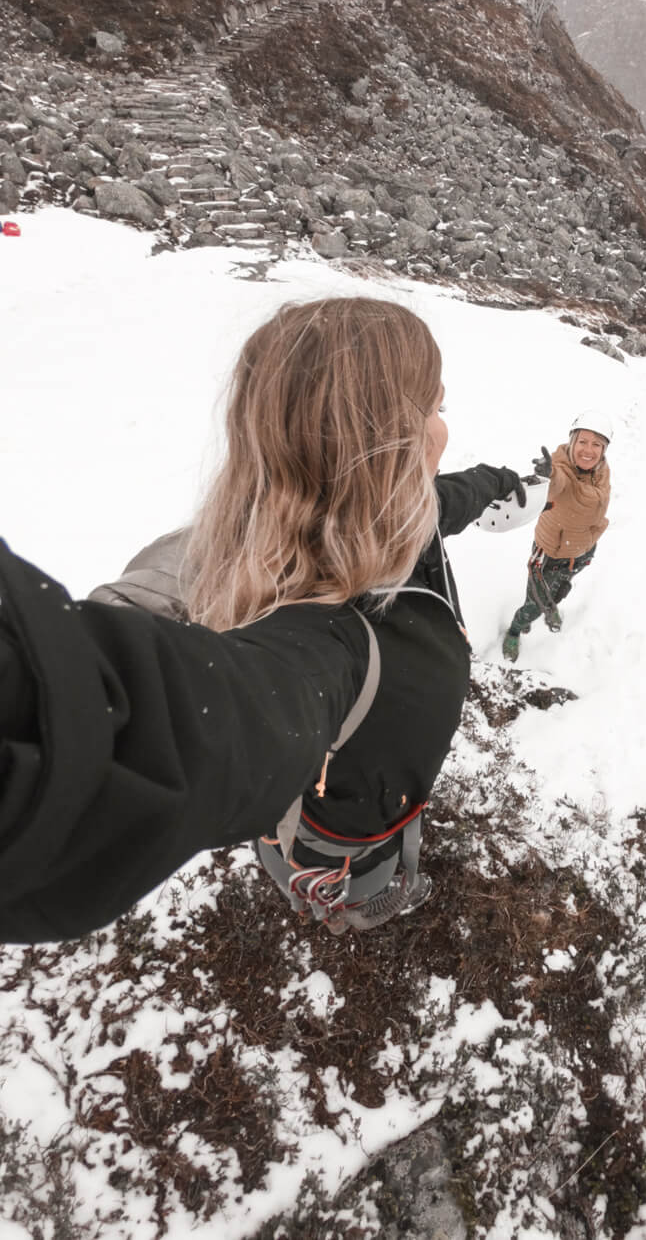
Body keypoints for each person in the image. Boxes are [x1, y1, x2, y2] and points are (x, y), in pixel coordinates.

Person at [0, 295, 524, 944]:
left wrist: (507, 482)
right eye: (435, 407)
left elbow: (441, 500)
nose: (445, 429)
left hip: (377, 788)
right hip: (341, 827)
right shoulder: (323, 646)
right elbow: (110, 724)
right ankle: (329, 894)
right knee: (345, 875)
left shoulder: (394, 517)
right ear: (383, 440)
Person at [502, 412, 611, 662]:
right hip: (550, 551)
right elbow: (556, 483)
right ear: (572, 442)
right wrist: (547, 475)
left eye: (597, 444)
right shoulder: (559, 467)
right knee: (534, 602)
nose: (588, 450)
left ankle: (549, 606)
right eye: (582, 441)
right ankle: (516, 628)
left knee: (561, 588)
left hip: (581, 551)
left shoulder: (602, 471)